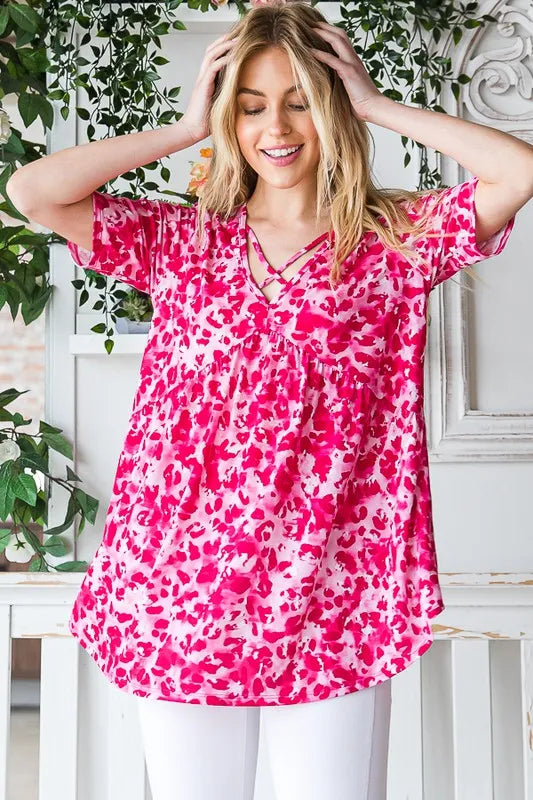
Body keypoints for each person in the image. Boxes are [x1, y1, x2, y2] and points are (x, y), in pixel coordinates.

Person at [7, 1, 530, 798]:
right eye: (250, 106)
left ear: (332, 108)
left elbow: (516, 173)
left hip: (330, 588)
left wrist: (373, 103)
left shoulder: (389, 242)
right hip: (180, 584)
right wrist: (189, 126)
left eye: (299, 101)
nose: (275, 127)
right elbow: (33, 191)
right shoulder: (182, 241)